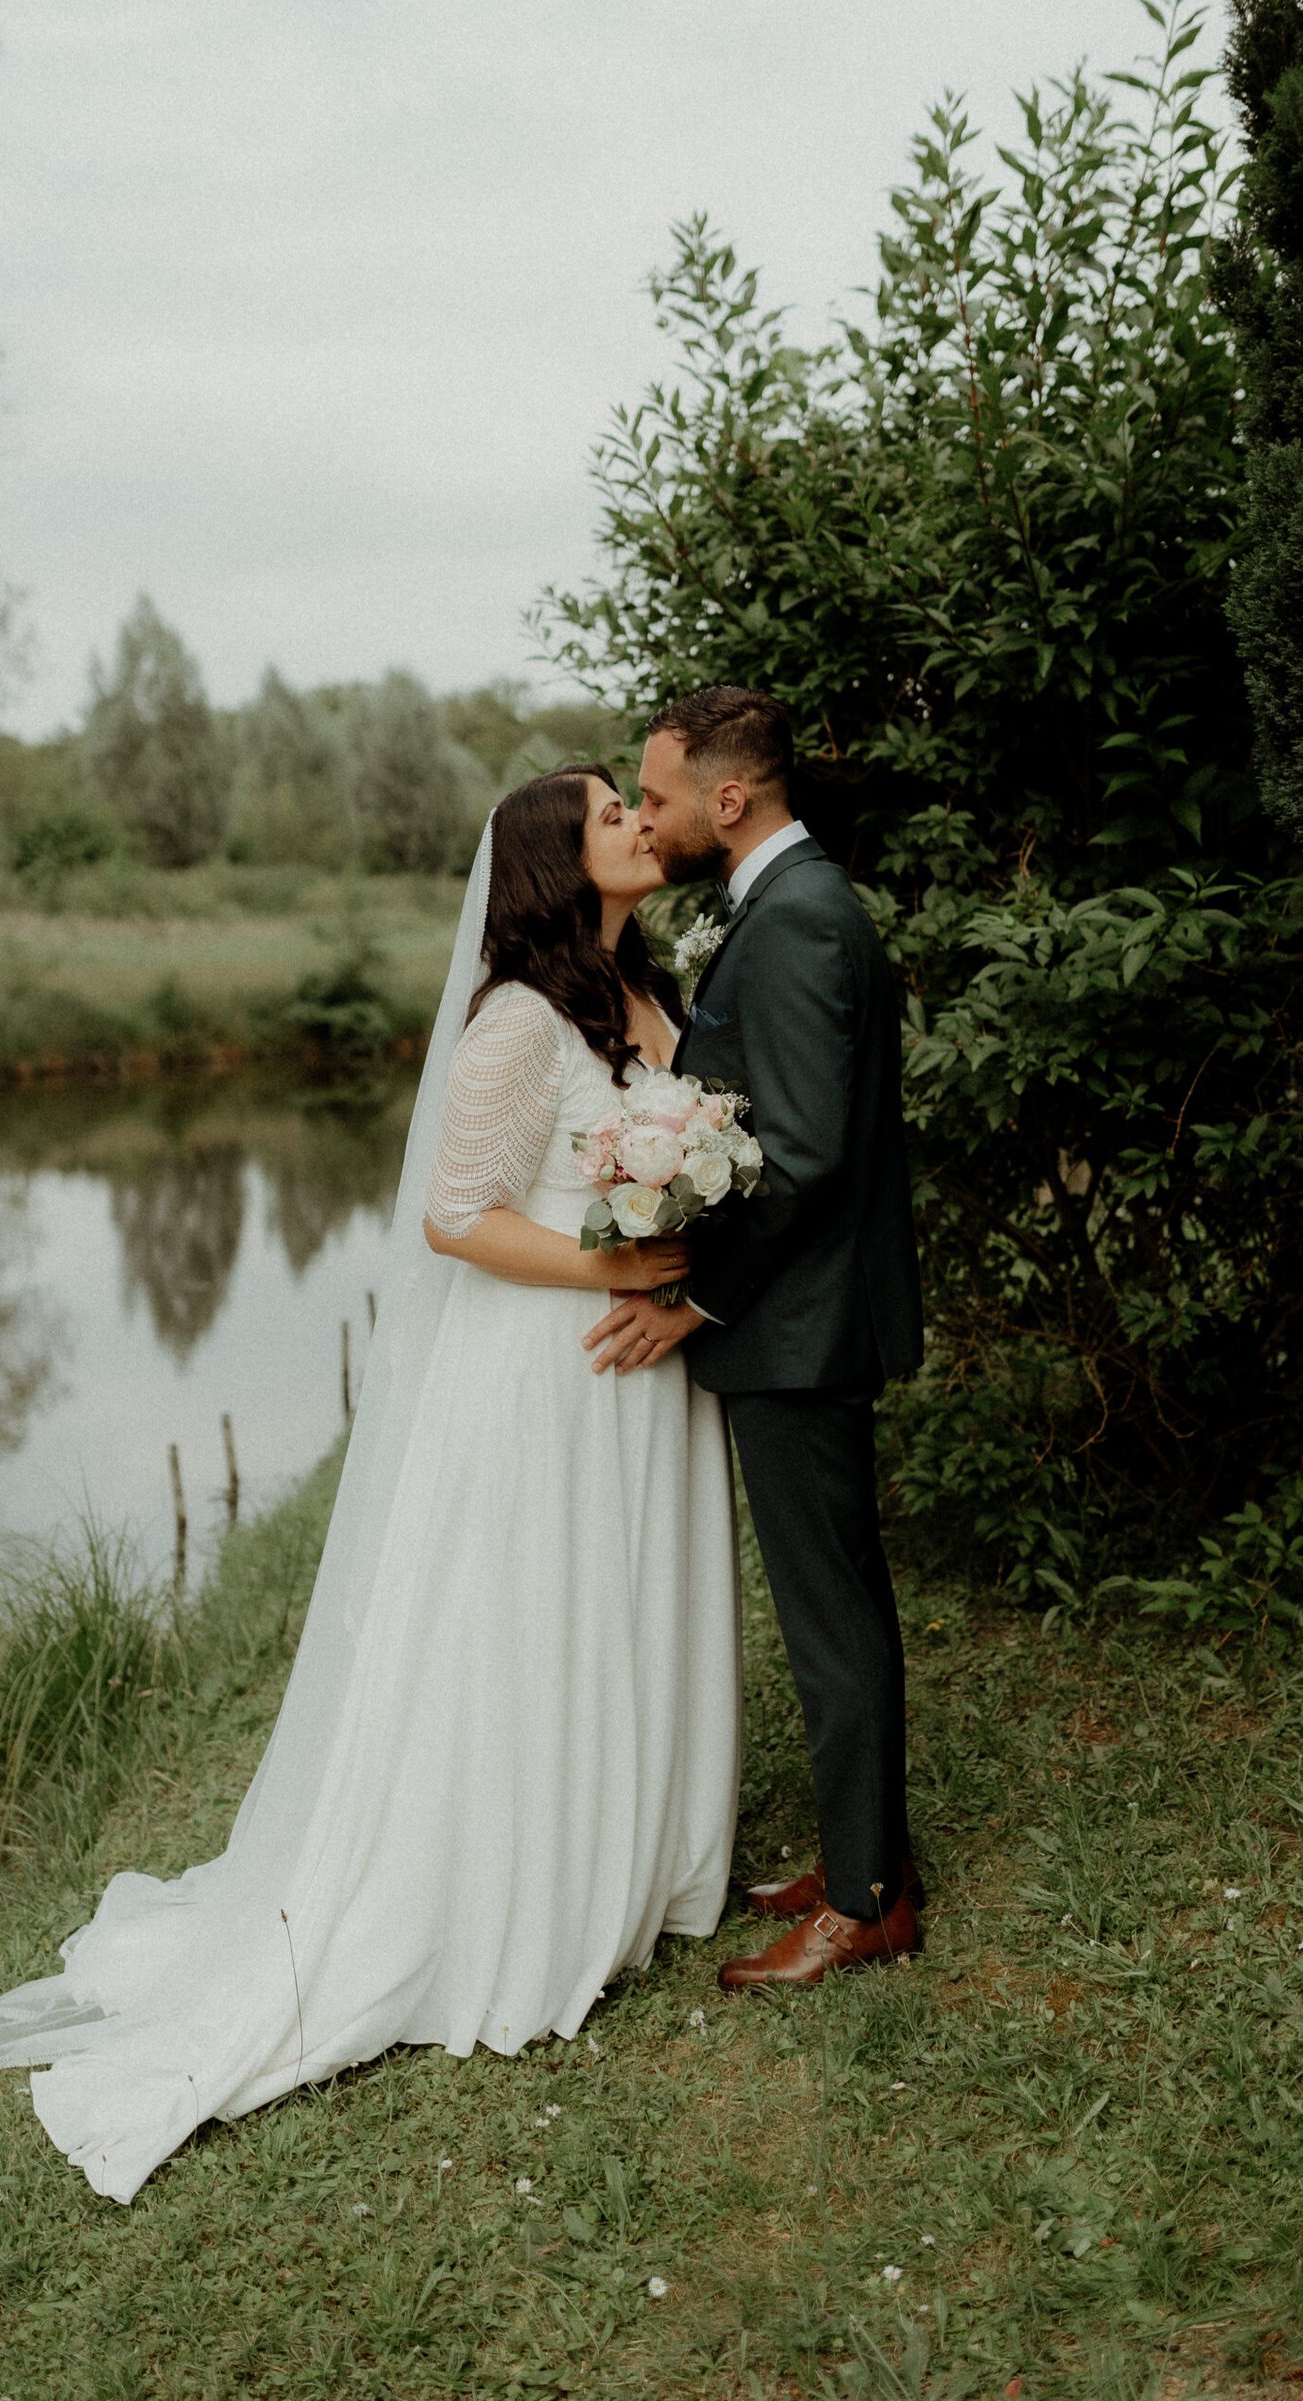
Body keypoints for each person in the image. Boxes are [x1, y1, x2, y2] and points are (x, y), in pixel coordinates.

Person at [0, 765, 741, 2203]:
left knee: (621, 1602)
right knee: (535, 1620)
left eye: (637, 800)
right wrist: (612, 1260)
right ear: (556, 862)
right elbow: (456, 1217)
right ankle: (514, 1889)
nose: (638, 815)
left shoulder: (655, 994)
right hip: (543, 1370)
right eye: (608, 809)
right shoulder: (514, 1021)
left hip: (637, 1372)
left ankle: (629, 1857)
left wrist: (673, 1238)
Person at [587, 686, 925, 1990]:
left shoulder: (794, 921)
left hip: (802, 1324)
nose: (651, 816)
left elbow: (804, 1151)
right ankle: (865, 1856)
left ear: (732, 799)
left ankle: (864, 1902)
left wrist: (700, 1298)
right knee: (833, 1602)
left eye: (660, 796)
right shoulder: (787, 905)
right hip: (806, 1318)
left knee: (831, 1613)